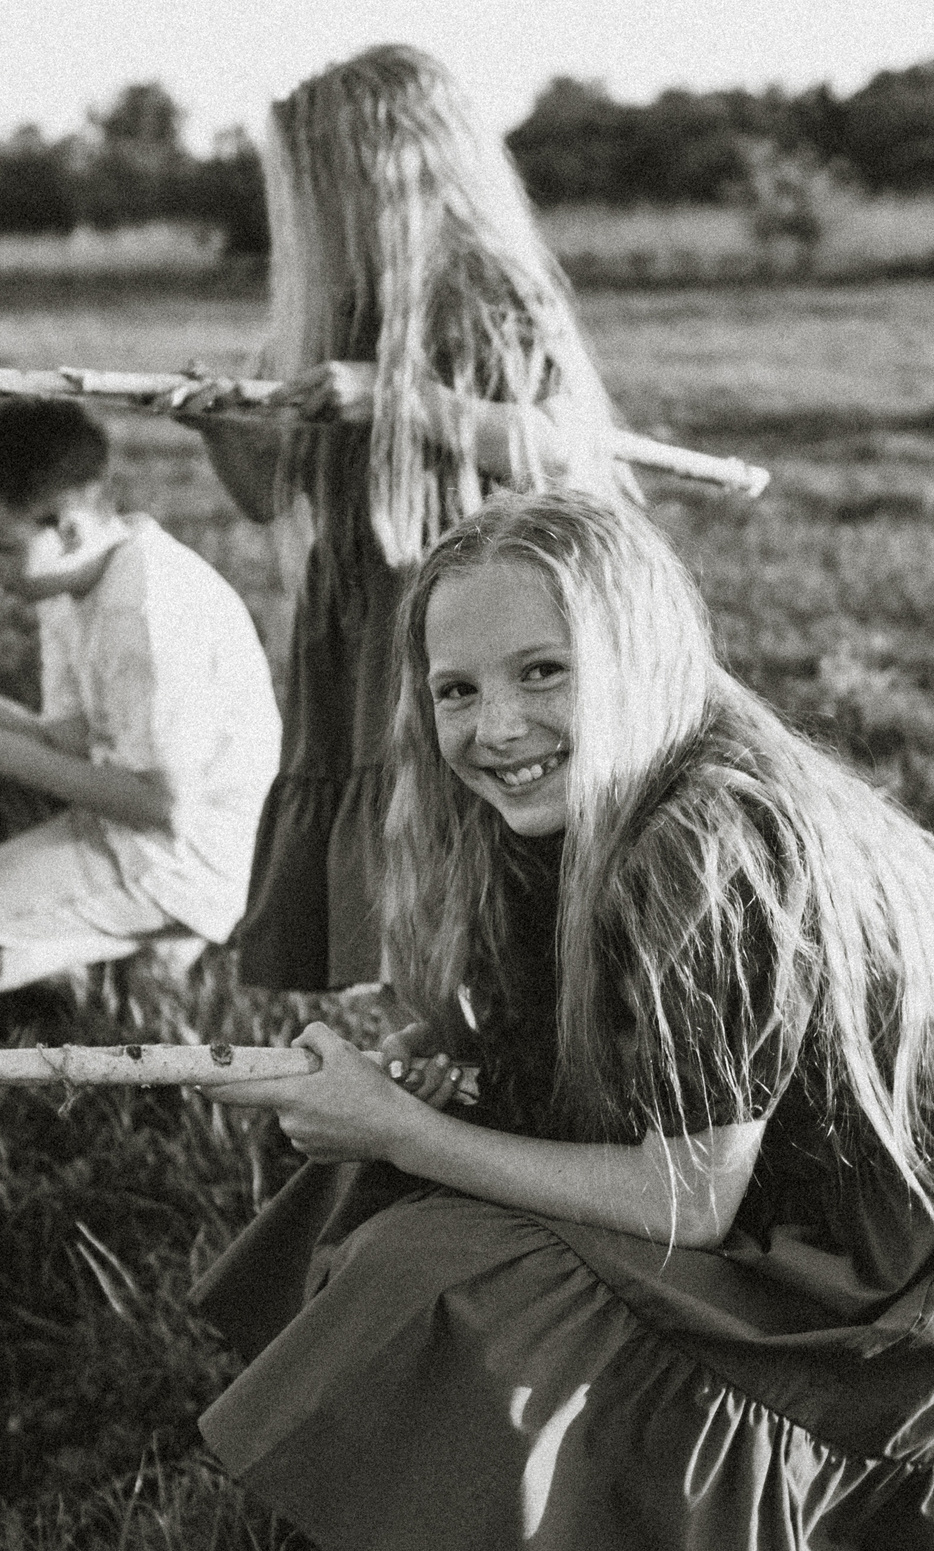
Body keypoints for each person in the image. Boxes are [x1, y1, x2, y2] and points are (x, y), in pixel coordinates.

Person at [197, 490, 934, 1551]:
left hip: (874, 1312)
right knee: (386, 1183)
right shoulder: (588, 807)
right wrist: (428, 1101)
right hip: (796, 1226)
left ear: (640, 654)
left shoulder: (700, 843)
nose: (496, 726)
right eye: (457, 689)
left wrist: (407, 1126)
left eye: (543, 672)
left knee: (426, 1257)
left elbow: (691, 1198)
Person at [177, 43, 633, 991]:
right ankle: (401, 1059)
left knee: (448, 834)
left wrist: (398, 399)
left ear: (379, 173)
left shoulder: (489, 296)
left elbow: (562, 449)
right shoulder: (331, 313)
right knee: (379, 871)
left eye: (313, 184)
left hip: (455, 618)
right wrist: (223, 427)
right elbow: (266, 496)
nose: (299, 213)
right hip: (356, 624)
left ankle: (477, 1051)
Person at [0, 399, 280, 1001]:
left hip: (180, 860)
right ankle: (64, 924)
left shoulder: (148, 613)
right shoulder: (73, 579)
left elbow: (162, 806)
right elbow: (72, 741)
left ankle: (86, 969)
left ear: (70, 529)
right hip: (121, 810)